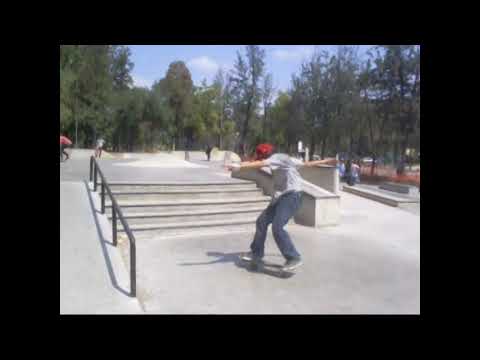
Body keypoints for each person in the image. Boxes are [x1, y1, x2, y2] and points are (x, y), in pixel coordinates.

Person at [227, 143, 337, 271]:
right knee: (261, 222)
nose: (260, 159)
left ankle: (293, 257)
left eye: (261, 156)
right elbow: (308, 164)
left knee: (277, 227)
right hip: (280, 197)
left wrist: (239, 166)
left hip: (292, 196)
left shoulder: (278, 157)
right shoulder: (288, 160)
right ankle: (256, 254)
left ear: (266, 154)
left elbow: (262, 164)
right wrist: (329, 160)